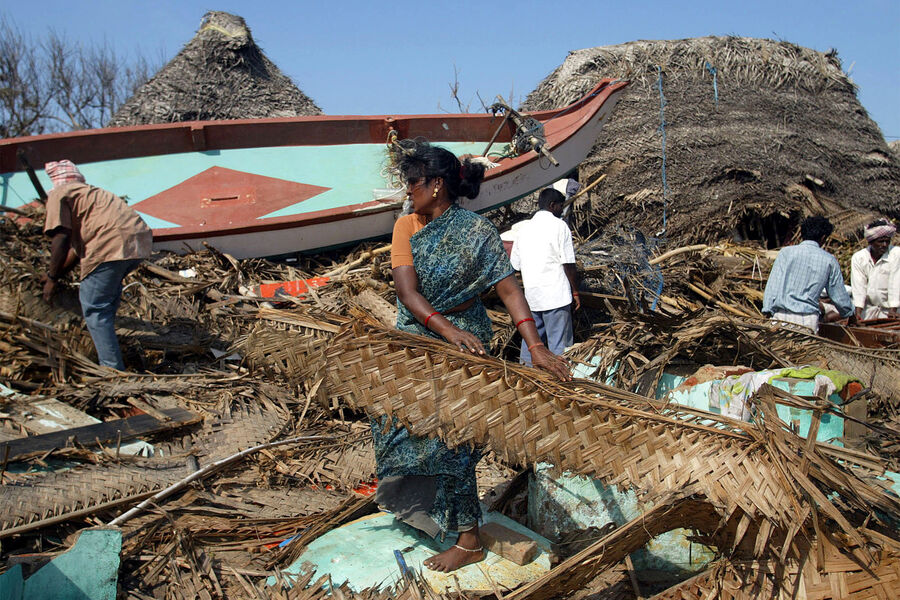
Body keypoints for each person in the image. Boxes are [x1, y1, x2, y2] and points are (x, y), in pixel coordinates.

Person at [385, 139, 570, 573]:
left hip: (466, 348)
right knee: (411, 434)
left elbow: (509, 289)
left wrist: (538, 347)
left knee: (456, 439)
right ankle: (432, 516)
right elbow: (407, 293)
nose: (407, 189)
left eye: (413, 182)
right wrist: (448, 330)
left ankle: (469, 538)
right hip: (420, 340)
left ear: (435, 186)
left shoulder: (477, 231)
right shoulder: (406, 226)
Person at [41, 160, 152, 370]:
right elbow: (75, 250)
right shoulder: (92, 195)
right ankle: (113, 353)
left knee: (94, 309)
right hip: (137, 242)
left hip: (108, 244)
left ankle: (111, 370)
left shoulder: (60, 193)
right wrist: (56, 274)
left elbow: (61, 239)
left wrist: (52, 278)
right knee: (105, 306)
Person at [510, 188, 580, 366]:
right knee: (560, 347)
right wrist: (575, 291)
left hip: (532, 297)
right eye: (560, 206)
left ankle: (526, 379)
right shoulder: (560, 226)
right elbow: (568, 263)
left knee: (532, 344)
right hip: (556, 295)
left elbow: (515, 265)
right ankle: (563, 385)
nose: (561, 211)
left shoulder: (523, 229)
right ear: (552, 205)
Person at [762, 215, 853, 332]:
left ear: (802, 233)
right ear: (823, 238)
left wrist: (767, 310)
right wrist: (849, 313)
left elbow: (772, 286)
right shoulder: (829, 260)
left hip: (781, 317)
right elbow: (839, 296)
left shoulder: (786, 253)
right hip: (808, 320)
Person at [850, 219, 900, 321]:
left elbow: (895, 283)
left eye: (887, 241)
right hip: (869, 309)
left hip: (893, 310)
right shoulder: (859, 258)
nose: (885, 245)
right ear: (871, 242)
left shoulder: (896, 254)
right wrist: (858, 313)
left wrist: (893, 310)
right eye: (881, 241)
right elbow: (859, 286)